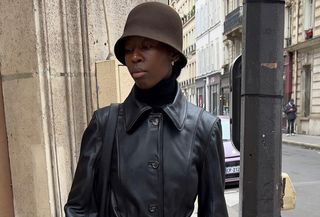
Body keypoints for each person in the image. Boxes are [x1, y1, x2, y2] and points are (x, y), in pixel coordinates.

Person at [65, 2, 229, 217]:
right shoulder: (104, 124)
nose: (134, 57)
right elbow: (78, 207)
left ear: (173, 54)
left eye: (146, 46)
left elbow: (214, 211)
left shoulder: (205, 128)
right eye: (129, 50)